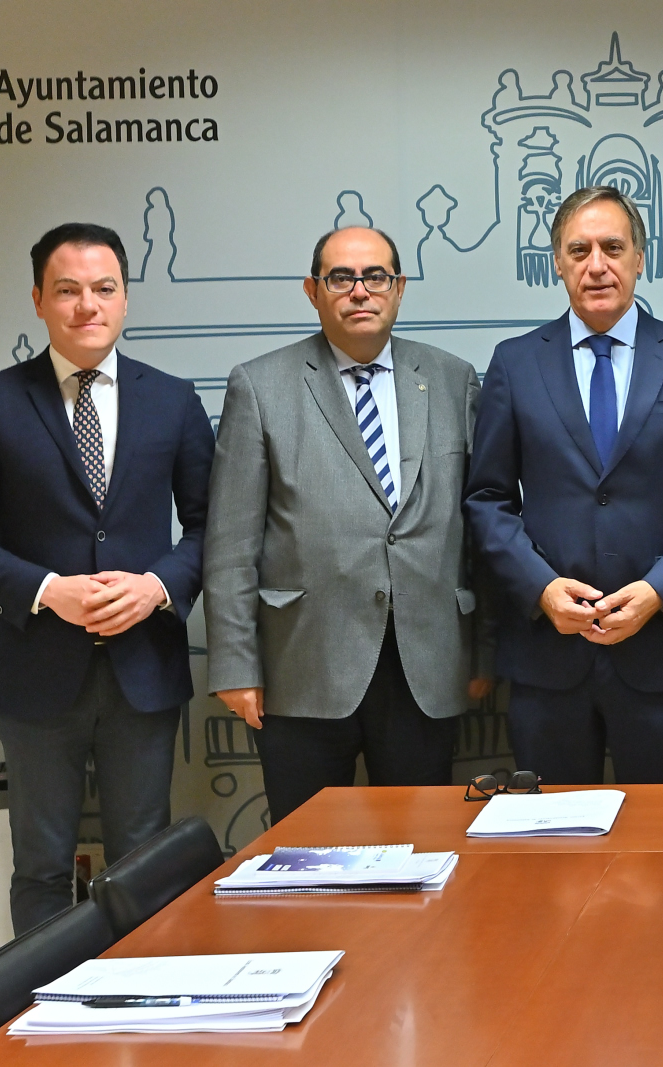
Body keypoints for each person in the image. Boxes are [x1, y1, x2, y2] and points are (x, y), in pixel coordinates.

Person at [0, 223, 215, 934]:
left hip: (142, 668)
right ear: (38, 300)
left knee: (143, 861)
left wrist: (157, 586)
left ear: (125, 298)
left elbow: (214, 527)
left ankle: (140, 995)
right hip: (35, 669)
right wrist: (45, 590)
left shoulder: (174, 400)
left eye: (104, 288)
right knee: (41, 867)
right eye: (68, 290)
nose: (88, 305)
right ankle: (40, 1004)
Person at [465, 185, 663, 785]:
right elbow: (487, 499)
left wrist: (658, 591)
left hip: (660, 652)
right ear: (558, 263)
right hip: (547, 655)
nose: (597, 265)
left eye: (613, 248)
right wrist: (542, 589)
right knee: (552, 832)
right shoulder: (515, 363)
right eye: (579, 250)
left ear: (639, 258)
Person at [204, 227, 490, 824]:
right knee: (308, 856)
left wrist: (484, 653)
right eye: (341, 277)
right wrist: (234, 664)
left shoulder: (452, 378)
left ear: (399, 288)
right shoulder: (259, 385)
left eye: (375, 276)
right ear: (313, 291)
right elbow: (230, 543)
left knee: (425, 848)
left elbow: (481, 528)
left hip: (426, 665)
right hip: (302, 667)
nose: (360, 291)